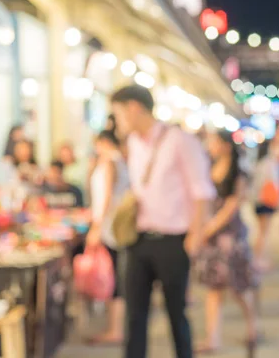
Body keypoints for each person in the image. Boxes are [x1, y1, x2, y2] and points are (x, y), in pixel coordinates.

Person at [111, 84, 215, 358]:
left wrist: (195, 235)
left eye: (119, 113)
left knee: (176, 313)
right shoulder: (133, 144)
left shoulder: (180, 140)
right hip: (139, 238)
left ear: (134, 108)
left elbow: (201, 191)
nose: (117, 121)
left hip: (173, 240)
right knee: (134, 315)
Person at [195, 131, 259, 355]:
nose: (210, 145)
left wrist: (210, 226)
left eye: (214, 142)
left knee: (238, 287)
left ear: (224, 145)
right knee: (213, 288)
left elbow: (233, 204)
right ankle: (212, 338)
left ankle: (252, 327)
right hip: (211, 236)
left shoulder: (238, 173)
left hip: (229, 236)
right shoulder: (208, 167)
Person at [85, 129, 130, 345]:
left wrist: (97, 226)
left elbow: (108, 196)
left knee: (115, 276)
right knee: (115, 274)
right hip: (111, 226)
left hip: (110, 227)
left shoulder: (111, 161)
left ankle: (115, 328)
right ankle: (115, 326)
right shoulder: (115, 160)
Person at [251, 141, 279, 271]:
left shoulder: (258, 163)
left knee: (261, 231)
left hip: (257, 200)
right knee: (263, 232)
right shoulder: (270, 164)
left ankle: (258, 258)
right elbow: (274, 182)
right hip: (265, 201)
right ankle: (258, 259)